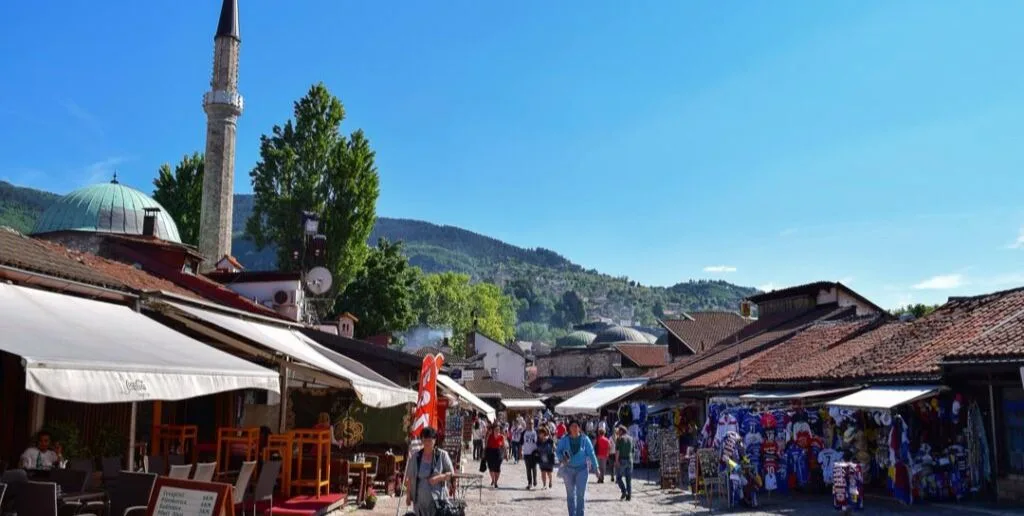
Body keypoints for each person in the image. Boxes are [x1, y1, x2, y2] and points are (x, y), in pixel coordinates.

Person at [405, 426, 455, 516]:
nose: (427, 442)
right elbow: (410, 477)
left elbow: (452, 474)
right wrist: (408, 496)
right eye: (424, 439)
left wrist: (439, 478)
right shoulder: (416, 456)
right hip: (419, 500)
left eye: (429, 440)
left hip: (438, 500)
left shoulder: (442, 455)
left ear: (435, 440)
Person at [556, 420, 599, 516]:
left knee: (580, 495)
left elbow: (591, 453)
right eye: (572, 426)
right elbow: (558, 451)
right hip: (568, 470)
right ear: (569, 428)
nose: (574, 428)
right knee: (570, 495)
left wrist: (596, 467)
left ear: (579, 428)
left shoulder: (585, 439)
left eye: (576, 426)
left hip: (582, 470)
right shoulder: (564, 439)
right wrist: (562, 459)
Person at [614, 424, 635, 501]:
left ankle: (624, 491)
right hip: (630, 460)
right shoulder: (631, 439)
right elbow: (633, 451)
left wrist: (616, 461)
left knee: (619, 478)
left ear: (621, 431)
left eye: (618, 431)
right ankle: (629, 495)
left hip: (622, 460)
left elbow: (617, 451)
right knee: (628, 479)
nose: (617, 432)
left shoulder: (619, 439)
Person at [484, 423, 507, 488]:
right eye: (496, 429)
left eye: (498, 429)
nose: (497, 431)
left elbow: (504, 446)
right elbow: (486, 444)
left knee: (497, 468)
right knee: (491, 467)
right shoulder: (489, 435)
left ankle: (496, 482)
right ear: (493, 430)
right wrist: (484, 452)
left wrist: (506, 454)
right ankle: (493, 479)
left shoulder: (501, 437)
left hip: (498, 452)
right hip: (490, 452)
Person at [522, 419, 539, 489]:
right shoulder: (524, 432)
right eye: (529, 423)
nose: (530, 425)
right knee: (528, 469)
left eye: (531, 423)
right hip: (526, 453)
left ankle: (535, 480)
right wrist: (520, 451)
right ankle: (529, 483)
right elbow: (521, 442)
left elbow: (539, 441)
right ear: (526, 424)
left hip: (534, 453)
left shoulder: (536, 432)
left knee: (534, 468)